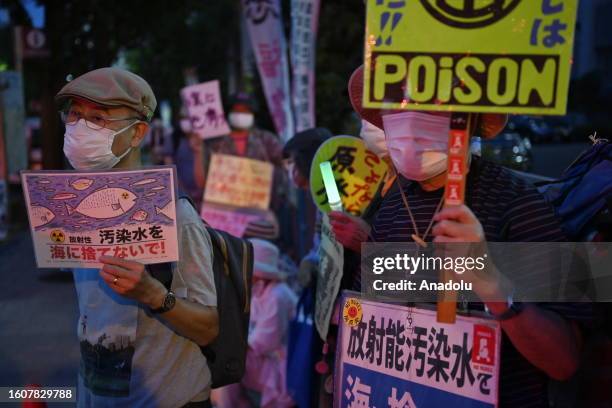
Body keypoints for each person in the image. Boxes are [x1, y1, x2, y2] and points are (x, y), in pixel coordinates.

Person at [348, 65, 592, 407]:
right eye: (397, 106)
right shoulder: (392, 205)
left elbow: (564, 361)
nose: (408, 116)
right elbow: (367, 313)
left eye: (427, 104)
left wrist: (491, 283)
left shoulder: (519, 204)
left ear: (466, 119)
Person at [55, 67, 218, 408]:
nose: (80, 128)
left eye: (98, 118)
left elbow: (209, 328)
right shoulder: (72, 216)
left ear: (136, 133)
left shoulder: (176, 215)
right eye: (74, 115)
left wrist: (155, 294)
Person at [213, 239, 297, 408]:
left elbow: (263, 343)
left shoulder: (277, 296)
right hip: (261, 359)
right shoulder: (256, 290)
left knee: (226, 359)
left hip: (278, 366)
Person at [281, 127, 332, 288]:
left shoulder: (331, 192)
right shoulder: (318, 192)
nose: (289, 169)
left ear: (307, 160)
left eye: (291, 162)